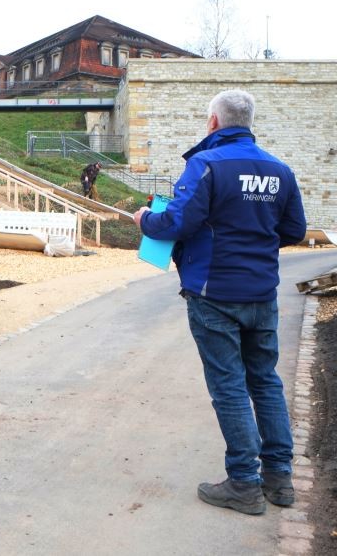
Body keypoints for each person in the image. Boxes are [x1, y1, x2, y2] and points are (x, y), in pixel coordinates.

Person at [132, 89, 306, 516]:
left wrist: (143, 220)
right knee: (264, 381)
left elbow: (177, 221)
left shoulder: (205, 164)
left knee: (229, 387)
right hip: (262, 293)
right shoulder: (280, 170)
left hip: (214, 295)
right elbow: (295, 229)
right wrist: (255, 244)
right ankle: (279, 479)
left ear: (213, 122)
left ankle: (244, 484)